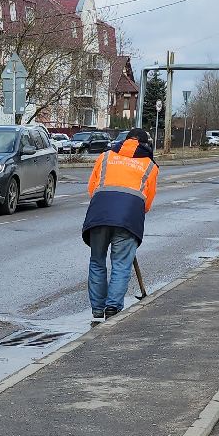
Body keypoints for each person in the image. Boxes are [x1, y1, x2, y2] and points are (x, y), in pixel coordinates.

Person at [81, 127, 159, 325]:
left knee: (97, 261)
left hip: (99, 213)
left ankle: (98, 309)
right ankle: (112, 308)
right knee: (121, 264)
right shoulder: (150, 165)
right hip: (128, 218)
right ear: (146, 144)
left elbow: (92, 188)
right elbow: (147, 204)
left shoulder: (105, 157)